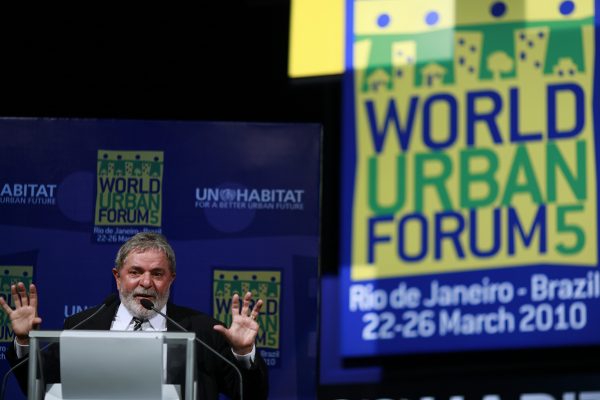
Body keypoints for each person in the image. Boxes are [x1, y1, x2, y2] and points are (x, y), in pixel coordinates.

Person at [0, 232, 269, 400]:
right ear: (118, 277)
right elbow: (40, 387)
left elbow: (250, 396)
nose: (146, 282)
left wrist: (243, 354)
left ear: (171, 279)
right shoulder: (82, 325)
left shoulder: (204, 331)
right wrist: (23, 342)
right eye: (135, 272)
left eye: (157, 274)